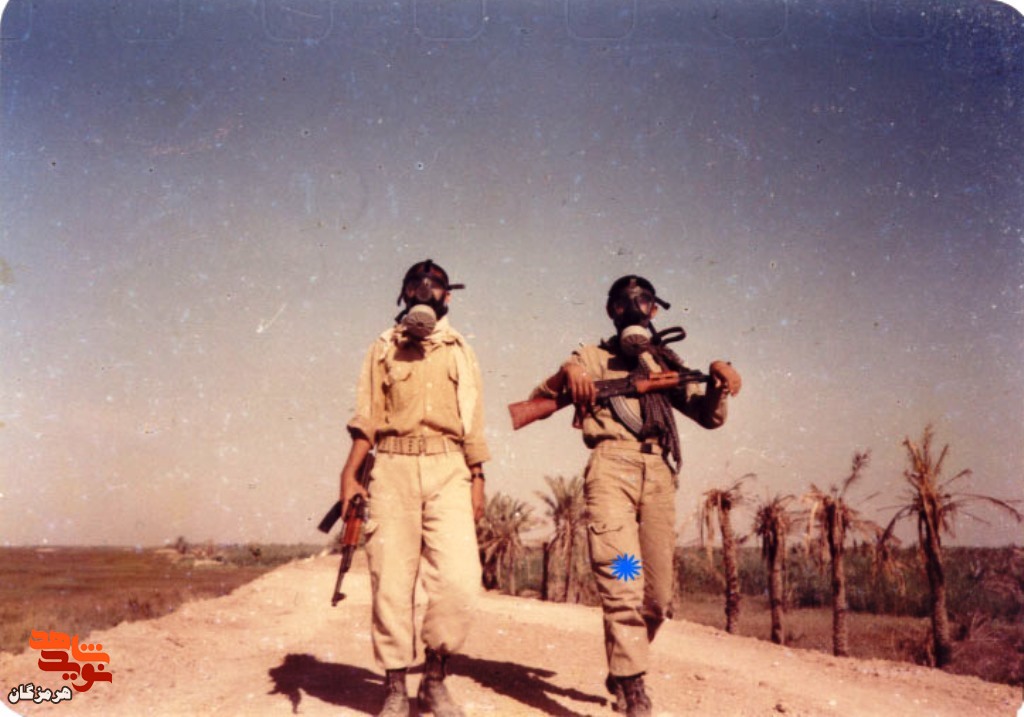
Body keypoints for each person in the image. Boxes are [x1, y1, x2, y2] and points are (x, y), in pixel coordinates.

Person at [529, 275, 741, 717]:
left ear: (654, 310)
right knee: (625, 579)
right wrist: (567, 374)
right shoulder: (591, 357)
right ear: (611, 311)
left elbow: (706, 415)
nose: (632, 308)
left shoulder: (664, 361)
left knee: (657, 598)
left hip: (658, 476)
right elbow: (541, 396)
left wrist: (719, 382)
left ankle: (624, 663)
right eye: (622, 303)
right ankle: (632, 682)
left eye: (642, 301)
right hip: (613, 473)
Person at [338, 259, 488, 717]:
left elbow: (473, 419)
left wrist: (478, 477)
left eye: (435, 285)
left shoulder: (461, 349)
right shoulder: (383, 347)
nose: (425, 292)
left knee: (460, 581)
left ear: (448, 296)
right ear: (403, 294)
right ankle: (396, 687)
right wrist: (349, 475)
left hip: (449, 468)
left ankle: (435, 679)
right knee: (391, 582)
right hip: (393, 467)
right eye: (415, 285)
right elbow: (367, 417)